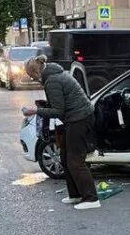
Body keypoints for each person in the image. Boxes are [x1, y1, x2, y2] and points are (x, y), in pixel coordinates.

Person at [21, 55, 99, 210]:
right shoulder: (54, 74)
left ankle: (91, 198)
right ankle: (76, 194)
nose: (31, 79)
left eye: (31, 76)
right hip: (78, 117)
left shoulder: (52, 81)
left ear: (35, 72)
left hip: (79, 119)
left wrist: (36, 110)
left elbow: (58, 110)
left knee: (75, 161)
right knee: (65, 158)